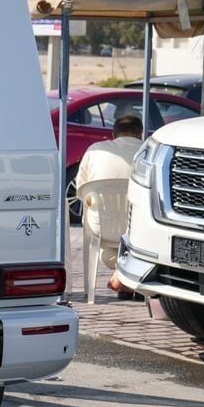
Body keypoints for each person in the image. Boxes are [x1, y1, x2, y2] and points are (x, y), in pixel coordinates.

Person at [75, 114, 144, 299]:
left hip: (102, 227)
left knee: (106, 252)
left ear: (114, 134)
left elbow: (81, 189)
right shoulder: (147, 152)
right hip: (138, 229)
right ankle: (128, 278)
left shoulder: (95, 150)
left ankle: (123, 278)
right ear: (141, 133)